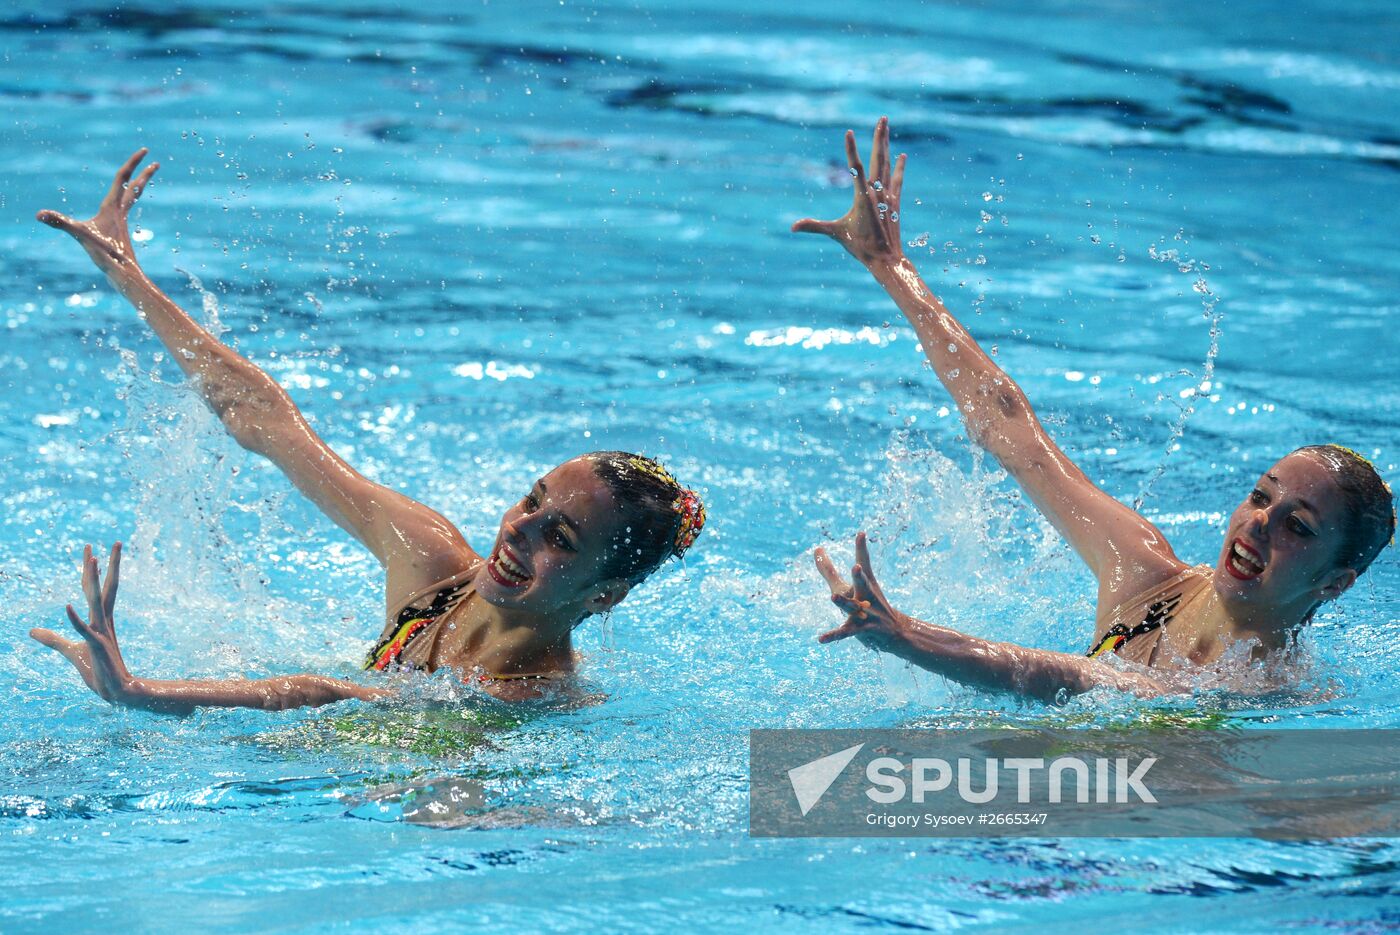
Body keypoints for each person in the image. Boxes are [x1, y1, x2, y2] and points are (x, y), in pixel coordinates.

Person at [29, 150, 705, 712]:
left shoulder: (536, 698)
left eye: (559, 536)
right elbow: (267, 422)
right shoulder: (433, 561)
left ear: (605, 594)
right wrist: (124, 274)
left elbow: (325, 693)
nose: (517, 531)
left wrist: (142, 691)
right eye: (532, 500)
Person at [794, 118, 1394, 702]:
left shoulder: (1263, 690)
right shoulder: (1148, 577)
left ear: (1335, 583)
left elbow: (1072, 678)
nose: (1259, 522)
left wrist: (907, 636)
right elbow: (1013, 433)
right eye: (1261, 496)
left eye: (1298, 525)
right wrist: (891, 266)